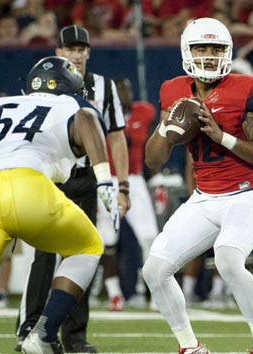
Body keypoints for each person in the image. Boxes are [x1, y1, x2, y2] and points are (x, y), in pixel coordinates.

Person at [0, 56, 119, 354]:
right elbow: (87, 120)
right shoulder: (70, 105)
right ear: (72, 89)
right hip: (31, 188)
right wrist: (104, 177)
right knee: (88, 246)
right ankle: (44, 335)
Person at [142, 17, 253, 354]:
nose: (207, 55)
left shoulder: (248, 87)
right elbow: (152, 160)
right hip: (204, 197)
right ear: (187, 51)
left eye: (215, 48)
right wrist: (167, 129)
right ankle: (190, 347)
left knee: (228, 261)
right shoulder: (173, 89)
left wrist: (223, 137)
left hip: (247, 192)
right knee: (155, 270)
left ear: (228, 52)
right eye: (200, 48)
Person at [15, 25, 130, 353]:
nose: (76, 54)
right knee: (44, 254)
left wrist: (121, 185)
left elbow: (117, 136)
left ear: (89, 52)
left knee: (82, 253)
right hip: (50, 178)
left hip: (86, 180)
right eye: (70, 49)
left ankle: (74, 336)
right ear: (58, 51)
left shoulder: (104, 87)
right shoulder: (41, 83)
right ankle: (28, 329)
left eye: (82, 49)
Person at [94, 77, 159, 310]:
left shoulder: (145, 112)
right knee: (108, 239)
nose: (125, 93)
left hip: (135, 179)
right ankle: (114, 294)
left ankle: (155, 294)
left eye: (127, 89)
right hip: (108, 179)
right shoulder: (100, 115)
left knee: (149, 238)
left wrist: (154, 175)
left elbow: (150, 147)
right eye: (120, 90)